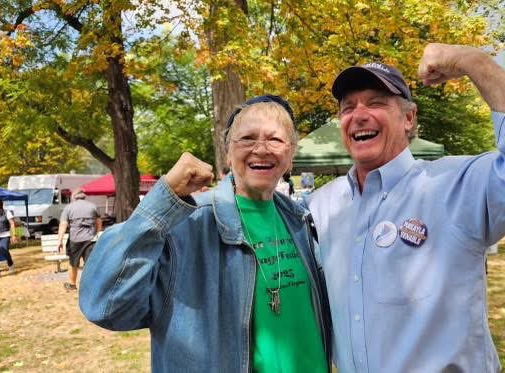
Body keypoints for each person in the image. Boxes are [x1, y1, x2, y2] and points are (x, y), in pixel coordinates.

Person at [305, 43, 505, 372]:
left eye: (376, 103)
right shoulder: (323, 205)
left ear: (408, 118)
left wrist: (473, 61)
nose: (359, 115)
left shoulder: (454, 185)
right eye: (347, 108)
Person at [79, 95, 330, 372]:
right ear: (227, 154)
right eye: (247, 138)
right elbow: (105, 305)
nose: (261, 149)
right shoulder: (187, 223)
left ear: (291, 154)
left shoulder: (301, 223)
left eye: (275, 140)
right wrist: (163, 201)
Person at [56, 190, 102, 291]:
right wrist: (96, 233)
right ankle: (89, 285)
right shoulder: (92, 206)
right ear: (83, 197)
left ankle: (72, 284)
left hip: (75, 239)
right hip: (90, 239)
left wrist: (59, 241)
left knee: (73, 262)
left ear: (73, 197)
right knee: (90, 263)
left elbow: (63, 224)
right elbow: (98, 222)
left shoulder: (68, 207)